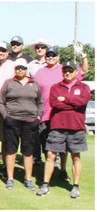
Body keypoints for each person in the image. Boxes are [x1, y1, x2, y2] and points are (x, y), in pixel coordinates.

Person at [32, 45, 88, 181]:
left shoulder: (65, 69)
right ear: (45, 57)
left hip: (64, 118)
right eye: (48, 55)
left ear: (58, 57)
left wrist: (84, 56)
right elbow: (38, 94)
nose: (50, 57)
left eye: (53, 55)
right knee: (48, 148)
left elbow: (85, 70)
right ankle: (49, 174)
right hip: (46, 114)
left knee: (65, 149)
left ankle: (62, 170)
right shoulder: (40, 72)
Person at [0, 59, 42, 191]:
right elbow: (0, 102)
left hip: (29, 122)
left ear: (26, 69)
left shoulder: (34, 83)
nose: (20, 70)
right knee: (11, 151)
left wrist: (38, 116)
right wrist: (6, 117)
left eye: (22, 68)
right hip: (12, 121)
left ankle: (28, 179)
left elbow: (40, 102)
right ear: (14, 69)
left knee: (28, 152)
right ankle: (10, 178)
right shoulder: (8, 83)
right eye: (17, 68)